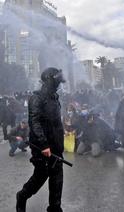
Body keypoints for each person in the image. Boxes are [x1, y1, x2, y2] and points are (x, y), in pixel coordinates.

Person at [16, 67, 66, 212]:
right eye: (56, 79)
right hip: (41, 147)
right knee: (40, 176)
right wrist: (44, 145)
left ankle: (55, 208)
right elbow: (35, 122)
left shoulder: (55, 97)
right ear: (49, 79)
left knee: (57, 178)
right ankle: (22, 196)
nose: (59, 82)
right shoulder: (36, 98)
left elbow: (56, 123)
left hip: (56, 146)